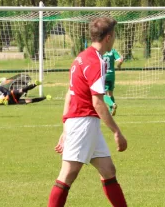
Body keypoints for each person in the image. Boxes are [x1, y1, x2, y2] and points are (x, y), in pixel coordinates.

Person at [48, 17, 128, 207]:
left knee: (108, 170)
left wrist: (65, 126)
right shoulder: (96, 62)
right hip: (83, 123)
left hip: (82, 123)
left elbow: (70, 94)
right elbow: (98, 102)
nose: (115, 38)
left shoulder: (80, 58)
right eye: (114, 35)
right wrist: (116, 132)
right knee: (68, 174)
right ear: (108, 37)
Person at [102, 48, 124, 115]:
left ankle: (112, 104)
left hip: (103, 74)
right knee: (110, 93)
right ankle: (111, 110)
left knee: (102, 94)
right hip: (111, 75)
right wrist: (119, 66)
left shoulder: (101, 51)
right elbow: (120, 60)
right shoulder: (112, 51)